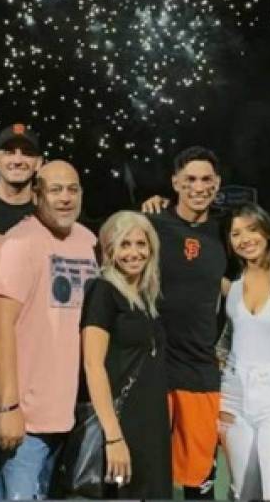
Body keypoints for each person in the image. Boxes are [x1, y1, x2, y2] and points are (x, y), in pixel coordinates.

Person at [0, 160, 97, 500]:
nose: (65, 198)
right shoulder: (20, 242)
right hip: (28, 418)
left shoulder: (88, 240)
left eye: (72, 189)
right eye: (55, 190)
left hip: (73, 412)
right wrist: (8, 407)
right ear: (37, 195)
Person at [146, 146, 226, 500]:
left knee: (200, 482)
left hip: (201, 372)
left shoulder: (228, 234)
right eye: (190, 179)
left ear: (218, 183)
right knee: (148, 477)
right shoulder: (151, 225)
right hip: (153, 369)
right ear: (175, 182)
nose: (199, 186)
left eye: (206, 179)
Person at [80, 211, 172, 499]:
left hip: (152, 425)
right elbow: (93, 365)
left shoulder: (147, 297)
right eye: (124, 244)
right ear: (110, 250)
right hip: (121, 425)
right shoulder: (102, 291)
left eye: (140, 244)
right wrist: (113, 436)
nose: (134, 252)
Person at [220, 203, 270, 500]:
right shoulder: (231, 288)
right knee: (243, 493)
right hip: (233, 400)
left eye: (252, 229)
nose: (245, 239)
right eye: (236, 233)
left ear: (267, 232)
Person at [0, 123, 43, 234]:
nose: (17, 161)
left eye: (27, 153)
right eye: (9, 152)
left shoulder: (48, 213)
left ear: (38, 163)